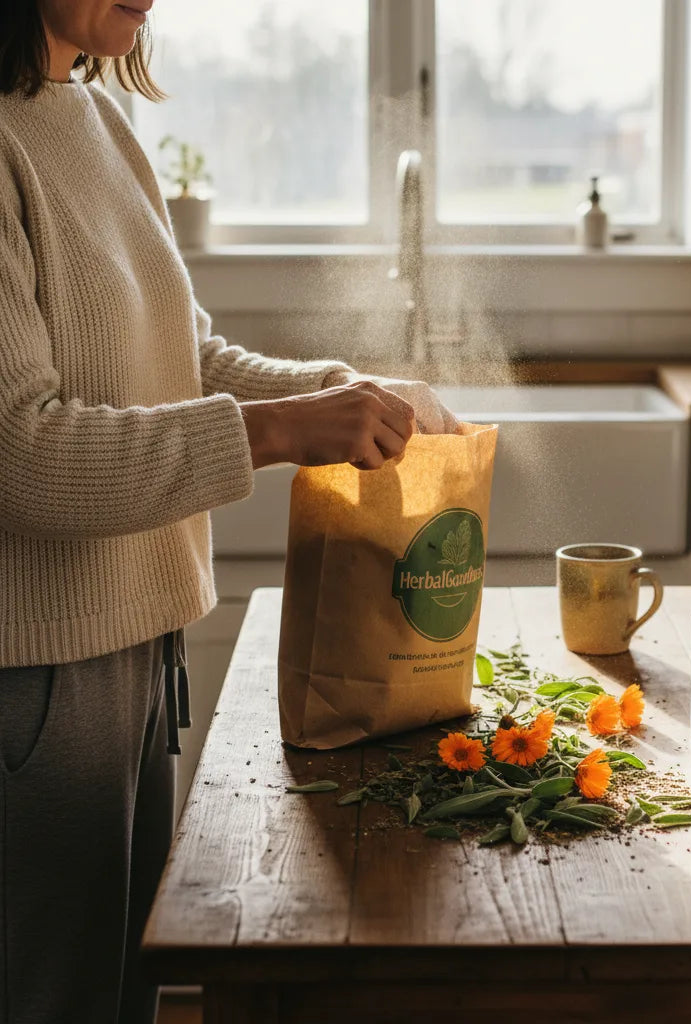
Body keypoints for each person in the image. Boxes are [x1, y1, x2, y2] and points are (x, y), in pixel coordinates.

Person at [0, 2, 458, 1021]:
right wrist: (287, 430)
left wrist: (343, 389)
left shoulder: (96, 117)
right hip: (31, 687)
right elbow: (23, 453)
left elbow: (186, 357)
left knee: (120, 997)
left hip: (134, 651)